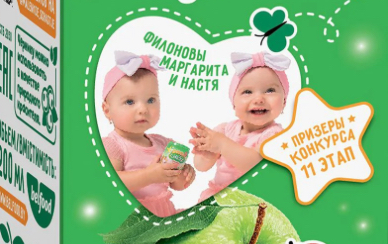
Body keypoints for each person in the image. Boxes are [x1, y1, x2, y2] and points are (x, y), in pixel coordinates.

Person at [100, 51, 194, 214]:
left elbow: (175, 185)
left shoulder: (163, 143)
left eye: (151, 100)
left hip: (163, 212)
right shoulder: (113, 145)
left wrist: (182, 176)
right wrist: (149, 175)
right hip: (131, 218)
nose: (143, 109)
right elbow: (109, 183)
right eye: (130, 102)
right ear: (107, 110)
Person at [190, 51, 291, 200]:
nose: (259, 99)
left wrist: (222, 145)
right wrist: (207, 155)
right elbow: (200, 166)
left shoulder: (275, 136)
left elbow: (256, 165)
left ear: (284, 102)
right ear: (234, 103)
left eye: (270, 90)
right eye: (247, 92)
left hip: (253, 202)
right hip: (221, 196)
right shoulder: (225, 130)